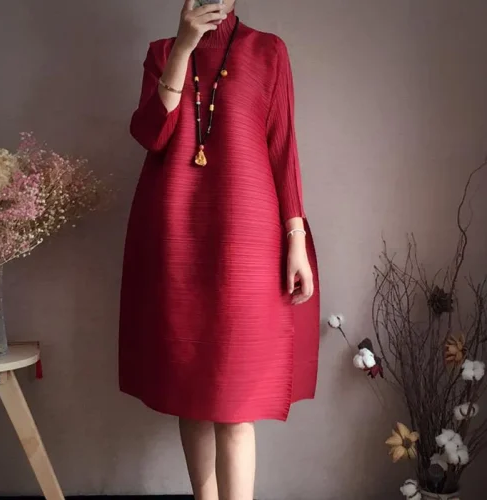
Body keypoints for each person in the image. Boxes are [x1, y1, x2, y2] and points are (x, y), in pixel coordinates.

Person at [119, 1, 320, 499]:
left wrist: (295, 238)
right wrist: (183, 47)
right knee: (191, 393)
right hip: (175, 236)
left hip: (248, 239)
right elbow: (152, 134)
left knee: (235, 402)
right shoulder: (161, 53)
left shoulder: (267, 51)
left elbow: (283, 146)